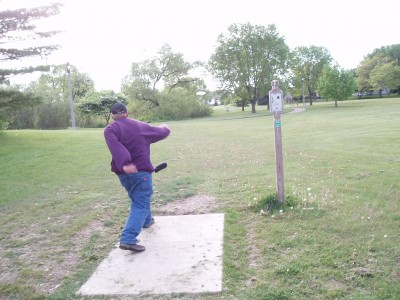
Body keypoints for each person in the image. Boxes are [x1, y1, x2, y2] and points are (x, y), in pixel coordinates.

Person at [104, 102, 170, 252]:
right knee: (140, 203)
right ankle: (128, 239)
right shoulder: (140, 126)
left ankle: (147, 221)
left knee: (138, 198)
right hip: (141, 173)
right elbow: (162, 132)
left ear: (113, 116)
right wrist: (166, 127)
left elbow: (115, 147)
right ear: (126, 113)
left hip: (124, 175)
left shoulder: (109, 130)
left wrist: (124, 164)